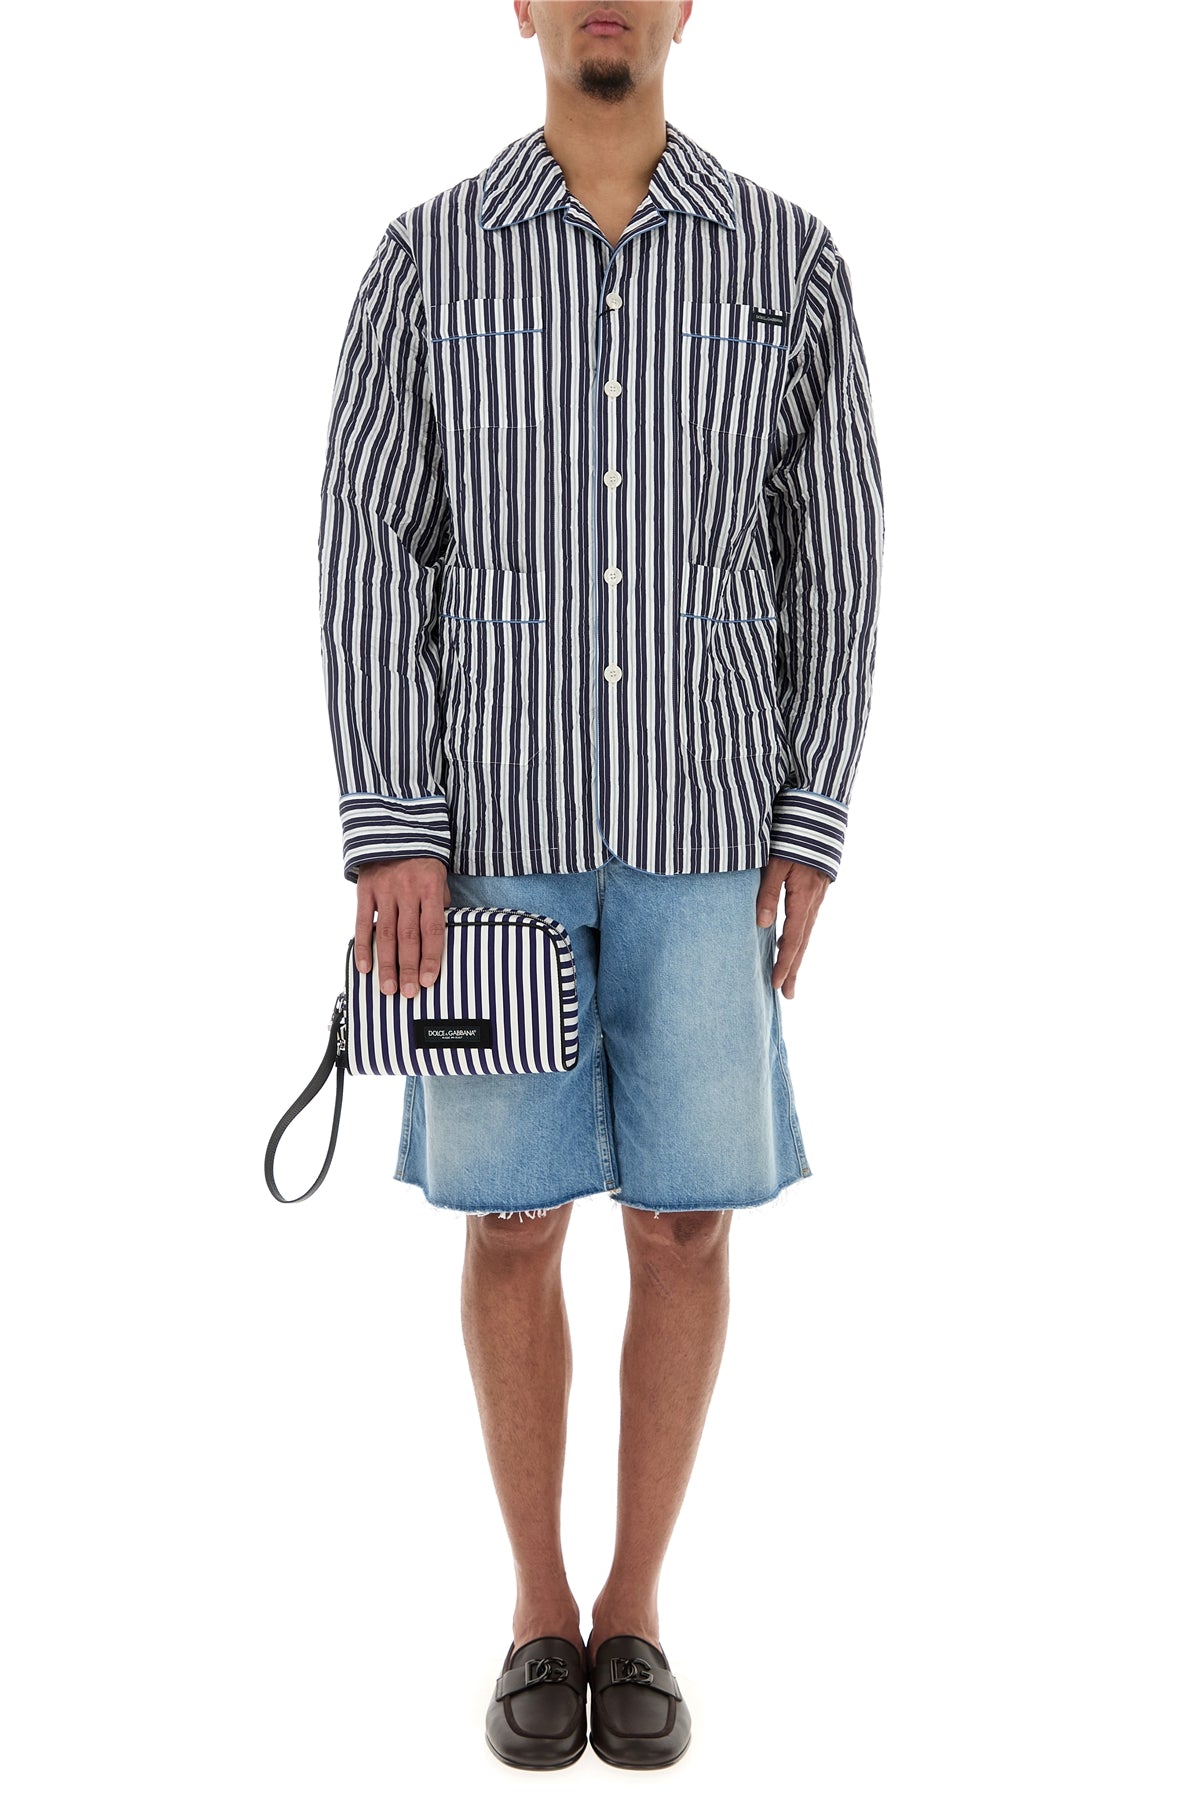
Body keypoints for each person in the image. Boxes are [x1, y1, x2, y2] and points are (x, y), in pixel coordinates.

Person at [317, 0, 884, 1771]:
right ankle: (534, 1609)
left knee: (687, 1219)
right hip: (491, 848)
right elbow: (369, 546)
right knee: (508, 1220)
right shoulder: (427, 262)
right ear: (523, 5)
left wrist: (810, 817)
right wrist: (395, 820)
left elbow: (838, 557)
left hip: (709, 839)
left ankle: (634, 1607)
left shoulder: (788, 266)